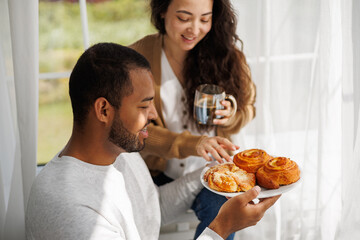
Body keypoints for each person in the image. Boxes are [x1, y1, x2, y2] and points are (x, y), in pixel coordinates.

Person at [25, 43, 279, 240]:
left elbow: (151, 208)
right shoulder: (73, 210)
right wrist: (223, 227)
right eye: (144, 105)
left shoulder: (120, 153)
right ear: (103, 110)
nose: (154, 115)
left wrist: (211, 172)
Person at [129, 0, 256, 239]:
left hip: (212, 169)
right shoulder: (137, 58)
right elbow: (134, 128)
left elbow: (248, 108)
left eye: (204, 19)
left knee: (224, 215)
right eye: (184, 18)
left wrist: (231, 115)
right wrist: (193, 144)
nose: (194, 29)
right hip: (158, 174)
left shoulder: (228, 56)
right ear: (163, 10)